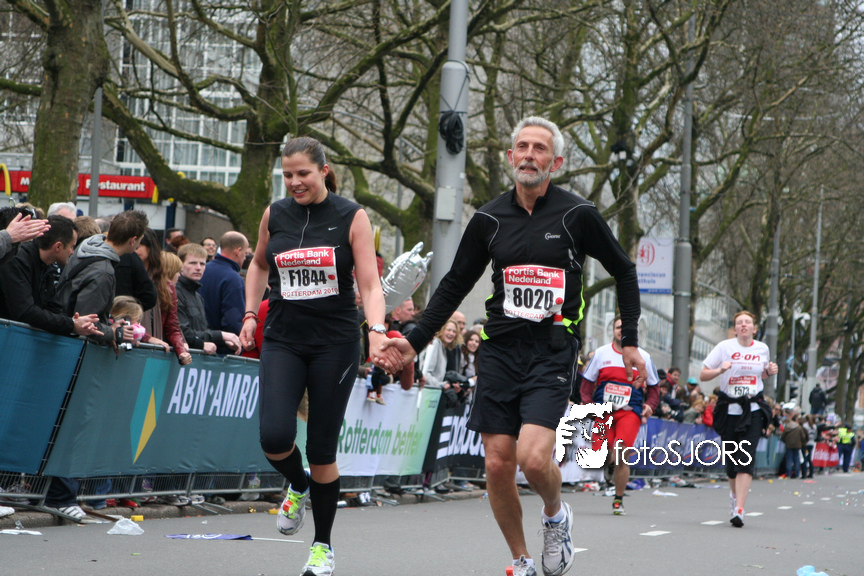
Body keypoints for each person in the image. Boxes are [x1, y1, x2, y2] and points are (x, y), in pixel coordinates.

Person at [382, 117, 645, 576]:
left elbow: (624, 269)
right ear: (510, 157)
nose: (528, 155)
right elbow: (454, 284)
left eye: (539, 149)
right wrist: (413, 341)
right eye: (522, 147)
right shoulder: (488, 219)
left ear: (555, 162)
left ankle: (555, 516)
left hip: (551, 350)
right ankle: (521, 559)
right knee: (498, 463)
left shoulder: (577, 214)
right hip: (500, 349)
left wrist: (632, 343)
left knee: (534, 458)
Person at [239, 136, 400, 576]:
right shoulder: (275, 213)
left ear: (324, 171)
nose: (295, 182)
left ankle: (322, 547)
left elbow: (370, 284)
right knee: (274, 437)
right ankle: (298, 484)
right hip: (283, 339)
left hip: (335, 343)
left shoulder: (351, 216)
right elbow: (258, 264)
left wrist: (377, 331)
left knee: (322, 450)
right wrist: (250, 313)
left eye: (303, 174)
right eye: (288, 175)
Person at [700, 310, 779, 528]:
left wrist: (769, 371)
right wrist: (720, 369)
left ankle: (740, 509)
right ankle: (734, 497)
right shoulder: (724, 347)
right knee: (732, 463)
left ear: (754, 328)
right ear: (735, 329)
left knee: (746, 458)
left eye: (747, 322)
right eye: (739, 323)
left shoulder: (762, 348)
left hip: (753, 409)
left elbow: (760, 375)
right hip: (729, 409)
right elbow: (703, 375)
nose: (743, 325)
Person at [580, 315, 659, 516]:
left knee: (622, 454)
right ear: (613, 331)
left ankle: (618, 499)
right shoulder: (601, 353)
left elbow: (654, 388)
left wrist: (650, 405)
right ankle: (609, 468)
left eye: (626, 327)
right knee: (602, 455)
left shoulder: (643, 357)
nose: (621, 331)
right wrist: (588, 404)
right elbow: (586, 384)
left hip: (629, 412)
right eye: (618, 327)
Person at [57, 210, 150, 346]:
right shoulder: (103, 272)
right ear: (133, 241)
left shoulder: (87, 247)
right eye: (140, 240)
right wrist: (113, 332)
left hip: (63, 336)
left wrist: (109, 328)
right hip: (71, 346)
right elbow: (86, 324)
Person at [0, 215, 100, 338]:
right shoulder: (17, 261)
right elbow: (25, 311)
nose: (73, 252)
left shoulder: (47, 266)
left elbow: (53, 307)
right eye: (72, 246)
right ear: (58, 246)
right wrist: (71, 324)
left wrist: (73, 322)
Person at [134, 228, 192, 365]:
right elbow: (122, 319)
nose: (133, 250)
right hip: (132, 352)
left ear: (150, 248)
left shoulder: (166, 286)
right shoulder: (126, 277)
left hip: (153, 356)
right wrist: (148, 338)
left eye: (138, 246)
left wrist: (181, 350)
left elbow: (172, 326)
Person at [175, 243, 241, 355]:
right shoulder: (176, 292)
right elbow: (181, 332)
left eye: (202, 264)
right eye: (192, 263)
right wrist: (221, 336)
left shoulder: (198, 296)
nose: (198, 268)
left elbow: (202, 331)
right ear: (180, 265)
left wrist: (223, 341)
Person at [200, 230, 248, 337]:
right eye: (245, 253)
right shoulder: (234, 279)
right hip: (222, 342)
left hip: (198, 337)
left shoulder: (202, 270)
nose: (245, 258)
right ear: (238, 251)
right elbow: (233, 320)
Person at [780, 411, 807, 479]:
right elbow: (803, 437)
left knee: (789, 459)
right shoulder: (798, 427)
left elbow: (783, 436)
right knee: (796, 459)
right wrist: (802, 443)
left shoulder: (787, 427)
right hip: (797, 444)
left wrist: (785, 441)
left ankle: (788, 473)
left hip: (789, 444)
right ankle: (796, 473)